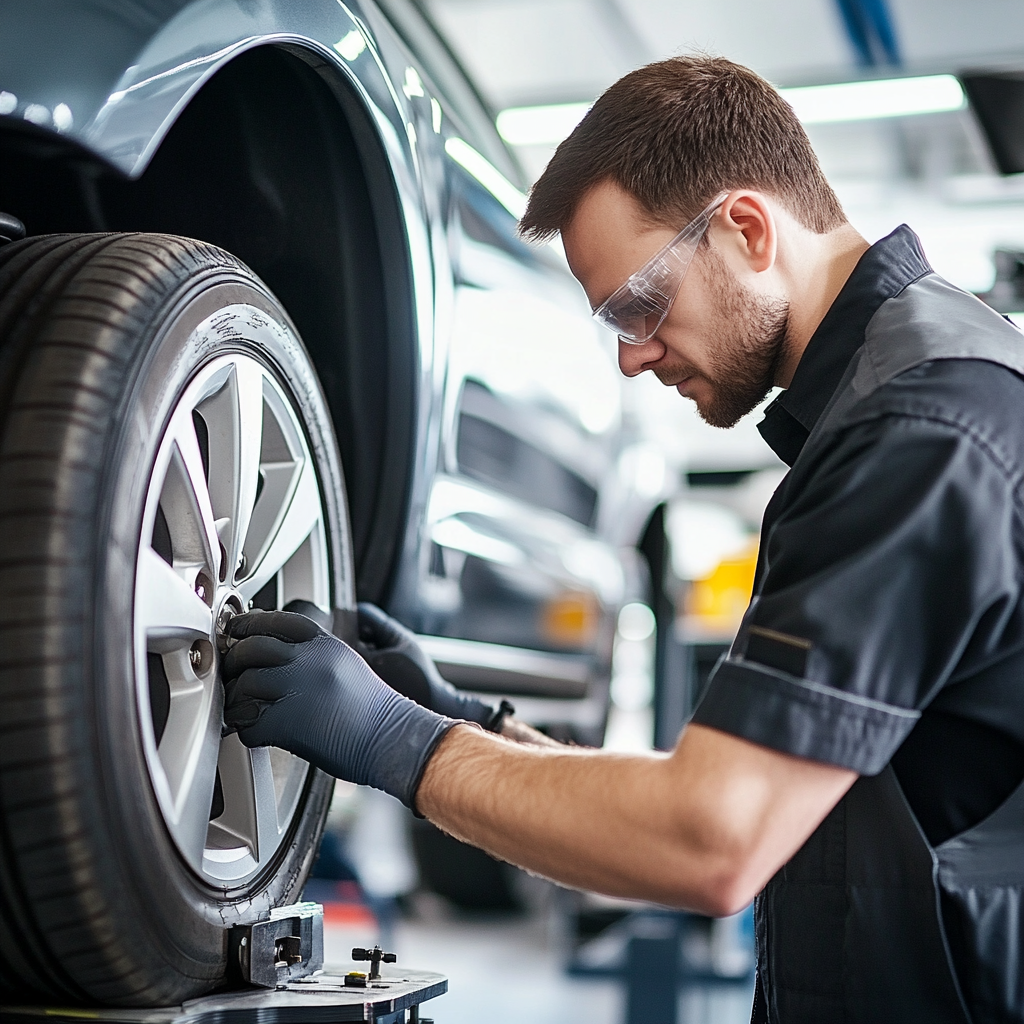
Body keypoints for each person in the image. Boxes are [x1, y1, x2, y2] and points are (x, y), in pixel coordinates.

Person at [221, 57, 1024, 1023]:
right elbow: (728, 788)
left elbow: (709, 838)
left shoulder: (920, 428)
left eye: (639, 305)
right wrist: (467, 719)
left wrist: (398, 742)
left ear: (747, 228)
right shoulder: (906, 394)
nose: (631, 356)